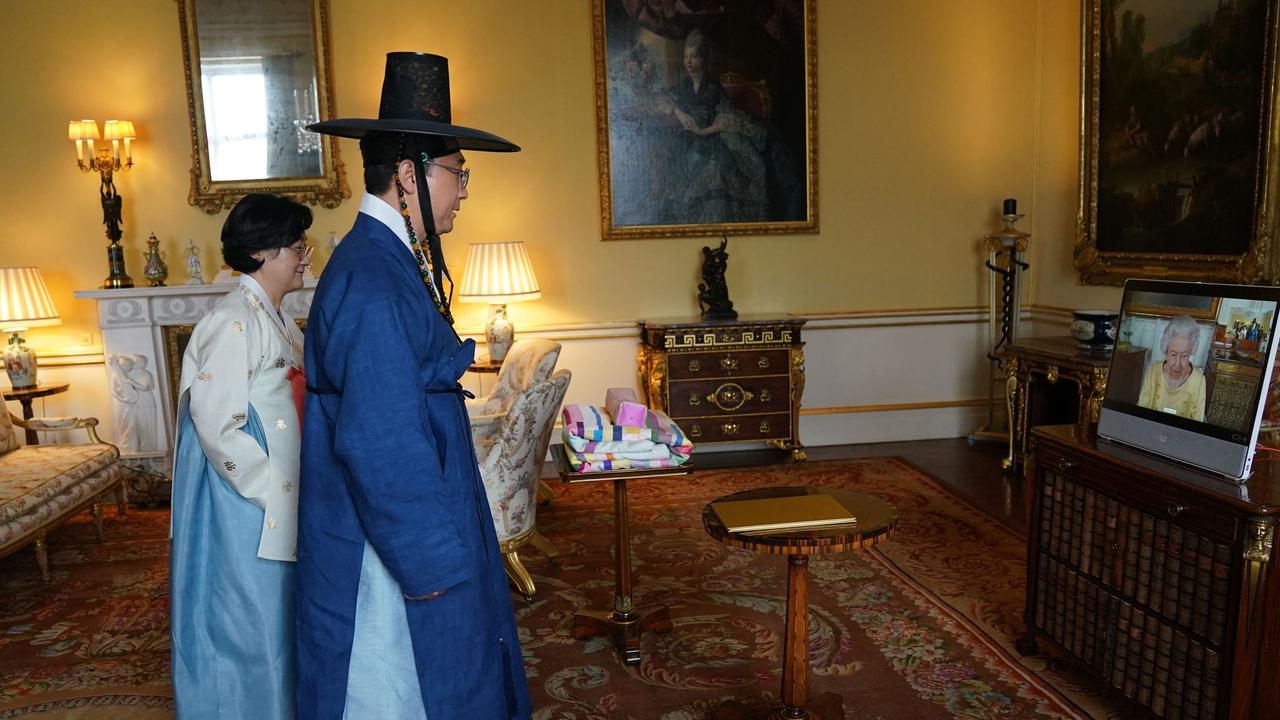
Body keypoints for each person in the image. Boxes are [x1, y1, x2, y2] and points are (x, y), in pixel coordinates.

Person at [298, 52, 531, 719]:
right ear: (407, 174)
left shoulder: (390, 259)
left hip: (414, 513)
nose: (463, 190)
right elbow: (377, 440)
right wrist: (430, 566)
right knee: (401, 683)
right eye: (457, 173)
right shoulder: (372, 280)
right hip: (385, 545)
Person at [169, 192, 312, 720]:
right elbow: (217, 425)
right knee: (250, 615)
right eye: (296, 246)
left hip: (279, 489)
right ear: (263, 253)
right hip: (246, 499)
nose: (304, 256)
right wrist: (271, 489)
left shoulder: (274, 315)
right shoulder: (233, 321)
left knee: (277, 612)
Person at [1138, 314, 1207, 422]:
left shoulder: (1199, 380)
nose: (1177, 364)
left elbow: (1197, 423)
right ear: (1166, 350)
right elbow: (1141, 412)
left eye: (1184, 355)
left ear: (1191, 351)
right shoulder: (1153, 372)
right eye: (1173, 354)